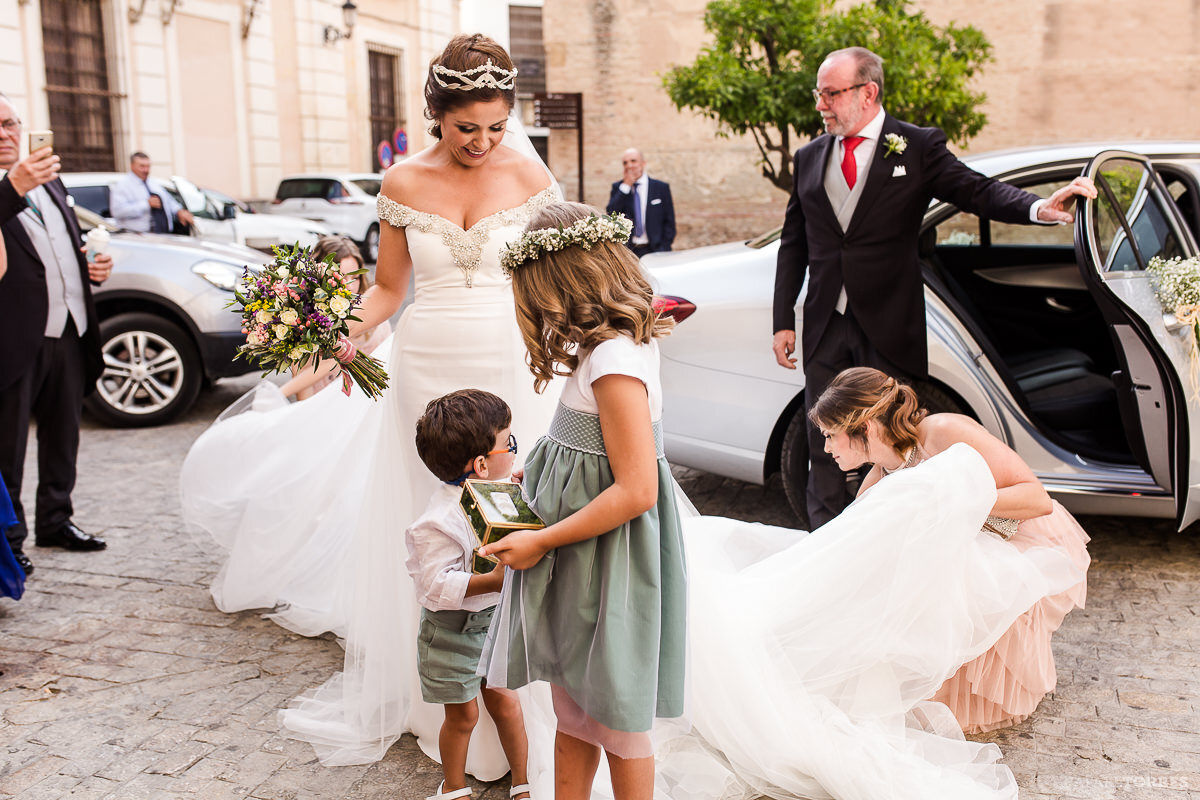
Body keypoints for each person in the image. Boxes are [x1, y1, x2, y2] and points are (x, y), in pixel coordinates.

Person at [182, 33, 561, 775]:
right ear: (435, 117)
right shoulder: (401, 182)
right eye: (465, 129)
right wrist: (329, 341)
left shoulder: (530, 173)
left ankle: (524, 693)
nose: (483, 142)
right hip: (426, 368)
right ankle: (442, 694)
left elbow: (551, 282)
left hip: (513, 364)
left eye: (495, 126)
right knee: (434, 523)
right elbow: (387, 290)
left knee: (516, 513)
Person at [771, 46, 1098, 529]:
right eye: (818, 94)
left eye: (831, 94)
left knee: (892, 445)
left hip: (888, 322)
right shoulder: (809, 156)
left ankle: (890, 539)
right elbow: (793, 244)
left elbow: (977, 190)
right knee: (827, 443)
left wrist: (1038, 208)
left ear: (868, 92)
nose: (820, 105)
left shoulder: (916, 145)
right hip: (824, 325)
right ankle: (827, 543)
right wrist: (783, 322)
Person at [480, 201, 687, 800]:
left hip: (606, 563)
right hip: (583, 558)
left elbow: (636, 487)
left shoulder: (614, 360)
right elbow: (586, 449)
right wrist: (536, 480)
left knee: (617, 722)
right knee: (576, 716)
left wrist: (542, 537)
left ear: (565, 285)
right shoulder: (603, 352)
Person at [809, 366, 1090, 733]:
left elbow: (1037, 499)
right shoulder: (880, 476)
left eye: (831, 435)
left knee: (955, 578)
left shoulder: (942, 433)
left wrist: (949, 503)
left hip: (1017, 534)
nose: (826, 447)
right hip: (969, 541)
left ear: (866, 427)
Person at [0, 92, 113, 578]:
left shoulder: (47, 178)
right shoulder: (18, 182)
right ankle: (8, 541)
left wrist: (93, 268)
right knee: (7, 447)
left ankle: (56, 519)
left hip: (69, 326)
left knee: (63, 433)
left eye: (11, 123)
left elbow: (62, 243)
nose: (6, 134)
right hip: (11, 338)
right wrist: (12, 186)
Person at [409, 390, 531, 800]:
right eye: (508, 444)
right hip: (450, 631)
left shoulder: (499, 493)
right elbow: (434, 585)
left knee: (507, 703)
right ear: (481, 464)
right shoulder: (438, 521)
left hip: (493, 622)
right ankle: (454, 787)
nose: (514, 451)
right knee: (463, 714)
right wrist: (492, 581)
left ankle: (522, 781)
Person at [278, 235, 390, 400]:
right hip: (323, 405)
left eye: (355, 277)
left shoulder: (377, 321)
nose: (351, 286)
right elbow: (303, 391)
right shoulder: (309, 325)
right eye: (342, 277)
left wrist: (280, 393)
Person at [605, 147, 675, 256]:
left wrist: (664, 247)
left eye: (633, 161)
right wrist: (626, 185)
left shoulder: (660, 188)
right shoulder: (619, 188)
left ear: (643, 163)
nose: (629, 165)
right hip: (629, 251)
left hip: (656, 249)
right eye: (625, 163)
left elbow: (669, 222)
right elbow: (611, 212)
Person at [109, 151, 195, 234]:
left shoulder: (153, 183)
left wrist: (178, 211)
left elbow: (168, 200)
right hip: (136, 237)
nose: (146, 170)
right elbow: (118, 211)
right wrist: (146, 204)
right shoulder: (123, 185)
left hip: (161, 235)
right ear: (132, 166)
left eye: (148, 166)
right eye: (142, 166)